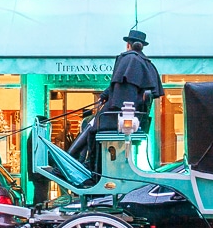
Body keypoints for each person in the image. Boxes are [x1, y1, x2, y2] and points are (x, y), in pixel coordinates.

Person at [69, 29, 164, 167]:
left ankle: (82, 161)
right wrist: (105, 95)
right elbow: (121, 85)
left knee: (92, 125)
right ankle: (81, 160)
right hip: (134, 116)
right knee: (93, 123)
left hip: (120, 115)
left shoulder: (128, 59)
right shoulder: (146, 63)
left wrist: (108, 101)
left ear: (128, 45)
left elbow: (121, 89)